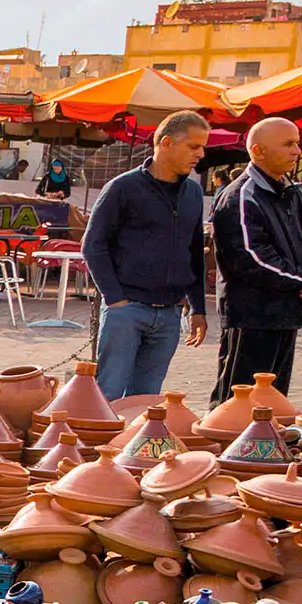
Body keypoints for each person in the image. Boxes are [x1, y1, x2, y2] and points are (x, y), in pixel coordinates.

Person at [79, 110, 210, 396]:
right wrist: (116, 301)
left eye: (202, 146)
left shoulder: (193, 193)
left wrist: (198, 307)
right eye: (193, 146)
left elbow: (193, 252)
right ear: (166, 144)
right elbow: (93, 245)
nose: (200, 154)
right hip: (127, 310)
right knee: (108, 395)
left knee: (146, 399)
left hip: (169, 314)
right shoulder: (123, 188)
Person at [210, 118, 302, 397]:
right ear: (258, 151)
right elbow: (251, 259)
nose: (297, 151)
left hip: (287, 312)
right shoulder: (241, 196)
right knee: (237, 402)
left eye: (297, 143)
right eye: (288, 144)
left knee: (272, 401)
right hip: (252, 315)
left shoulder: (292, 193)